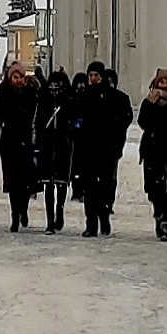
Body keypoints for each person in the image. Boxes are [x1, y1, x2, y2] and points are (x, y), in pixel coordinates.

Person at [72, 60, 132, 237]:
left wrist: (116, 143)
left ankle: (104, 216)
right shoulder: (84, 97)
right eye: (90, 75)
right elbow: (77, 120)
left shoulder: (115, 98)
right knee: (89, 187)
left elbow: (123, 121)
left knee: (106, 185)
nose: (93, 79)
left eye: (96, 75)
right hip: (88, 149)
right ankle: (91, 223)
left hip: (108, 149)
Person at [0, 59, 41, 231]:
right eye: (14, 77)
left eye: (20, 77)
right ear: (10, 79)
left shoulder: (31, 94)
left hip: (26, 142)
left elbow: (38, 115)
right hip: (9, 143)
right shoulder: (5, 96)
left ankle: (23, 210)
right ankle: (15, 215)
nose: (18, 80)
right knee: (12, 182)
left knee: (25, 182)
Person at [137, 68, 167, 240]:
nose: (164, 86)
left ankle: (166, 221)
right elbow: (142, 122)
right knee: (153, 187)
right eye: (161, 82)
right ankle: (158, 211)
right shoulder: (149, 102)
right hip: (152, 148)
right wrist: (150, 103)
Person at [34, 67, 74, 233]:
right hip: (47, 146)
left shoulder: (68, 102)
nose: (54, 90)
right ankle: (50, 220)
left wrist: (72, 131)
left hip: (63, 146)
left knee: (61, 183)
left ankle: (59, 211)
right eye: (51, 86)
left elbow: (74, 122)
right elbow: (38, 124)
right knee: (48, 185)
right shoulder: (44, 102)